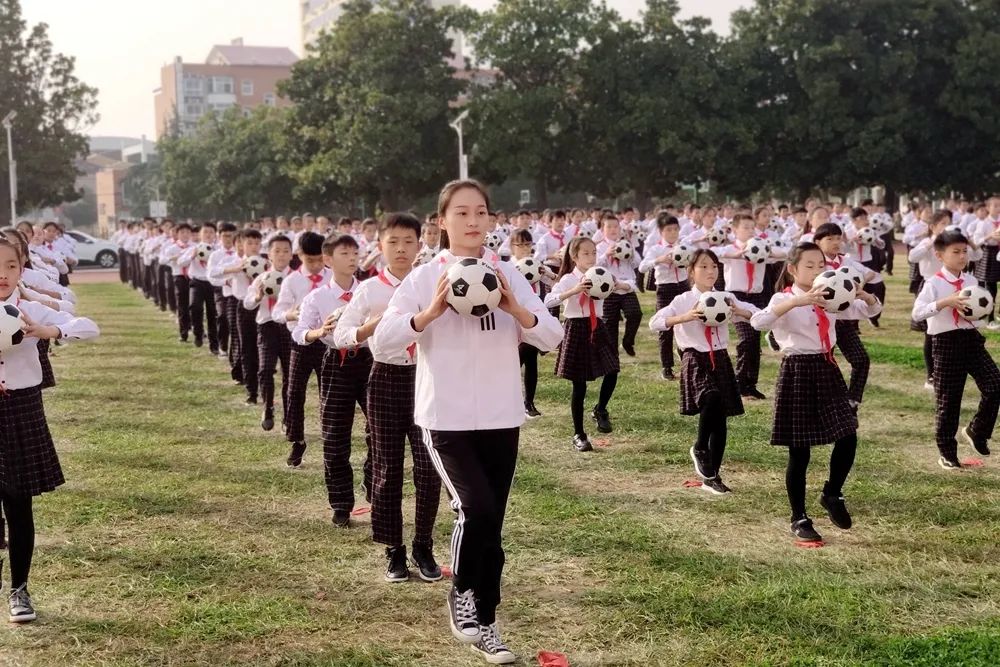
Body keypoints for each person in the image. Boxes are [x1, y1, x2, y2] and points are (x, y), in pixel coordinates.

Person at [373, 180, 562, 665]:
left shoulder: (508, 276)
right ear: (441, 221)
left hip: (501, 414)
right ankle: (461, 594)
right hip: (446, 416)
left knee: (492, 523)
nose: (473, 221)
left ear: (492, 220)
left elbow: (551, 336)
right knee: (474, 508)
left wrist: (515, 308)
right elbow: (384, 342)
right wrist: (430, 313)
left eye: (481, 212)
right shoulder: (422, 278)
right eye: (461, 213)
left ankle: (488, 620)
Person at [335, 213, 442, 581]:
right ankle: (393, 550)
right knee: (387, 468)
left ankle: (423, 545)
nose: (401, 249)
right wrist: (373, 326)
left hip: (425, 378)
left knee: (429, 467)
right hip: (384, 379)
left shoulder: (431, 283)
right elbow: (342, 335)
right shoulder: (369, 290)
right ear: (379, 246)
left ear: (420, 245)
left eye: (408, 241)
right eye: (393, 242)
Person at [750, 243, 881, 544]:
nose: (816, 270)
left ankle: (832, 493)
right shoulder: (783, 297)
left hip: (826, 367)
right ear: (793, 269)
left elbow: (873, 310)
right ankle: (799, 517)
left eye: (820, 264)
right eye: (809, 265)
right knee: (799, 451)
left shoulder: (833, 296)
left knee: (848, 433)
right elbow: (759, 322)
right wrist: (798, 301)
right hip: (796, 370)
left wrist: (863, 295)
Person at [0, 237, 99, 622]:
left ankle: (19, 590)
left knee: (18, 504)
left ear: (21, 269)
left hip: (21, 409)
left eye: (10, 266)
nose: (3, 274)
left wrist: (49, 331)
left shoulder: (31, 309)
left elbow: (88, 328)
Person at [649, 249, 757, 493]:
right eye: (704, 267)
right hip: (694, 355)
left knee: (720, 421)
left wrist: (739, 311)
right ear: (691, 272)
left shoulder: (726, 297)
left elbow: (759, 315)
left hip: (720, 357)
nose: (710, 272)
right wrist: (685, 317)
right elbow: (655, 322)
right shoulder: (683, 300)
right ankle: (699, 447)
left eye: (714, 267)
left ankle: (712, 477)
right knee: (711, 396)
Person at [294, 234, 373, 527]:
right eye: (344, 253)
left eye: (355, 252)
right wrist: (318, 332)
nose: (352, 257)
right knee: (335, 436)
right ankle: (341, 503)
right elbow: (300, 331)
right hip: (335, 363)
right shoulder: (317, 297)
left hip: (369, 361)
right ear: (328, 260)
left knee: (379, 428)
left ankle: (372, 478)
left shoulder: (369, 290)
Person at [912, 230, 1000, 470]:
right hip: (945, 344)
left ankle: (977, 430)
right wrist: (945, 303)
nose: (962, 256)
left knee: (995, 384)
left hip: (971, 341)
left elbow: (979, 316)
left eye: (964, 251)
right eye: (956, 252)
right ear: (940, 256)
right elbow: (917, 313)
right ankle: (947, 453)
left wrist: (978, 314)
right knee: (949, 402)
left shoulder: (971, 281)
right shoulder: (934, 283)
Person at [545, 237, 622, 451]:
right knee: (579, 384)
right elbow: (549, 300)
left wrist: (618, 284)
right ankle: (579, 434)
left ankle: (601, 409)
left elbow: (624, 287)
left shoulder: (601, 275)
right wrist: (574, 290)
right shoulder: (570, 278)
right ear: (574, 256)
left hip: (597, 326)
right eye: (586, 253)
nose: (591, 257)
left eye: (594, 253)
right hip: (577, 327)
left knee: (612, 369)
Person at [273, 231, 331, 468]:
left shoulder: (334, 278)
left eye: (320, 260)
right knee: (294, 391)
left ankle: (330, 441)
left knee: (327, 396)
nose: (316, 266)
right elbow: (278, 313)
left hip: (327, 344)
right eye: (310, 261)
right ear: (300, 256)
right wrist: (292, 314)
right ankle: (296, 439)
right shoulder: (292, 281)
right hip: (300, 343)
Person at [245, 234, 294, 431]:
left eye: (285, 251)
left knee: (289, 375)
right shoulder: (260, 278)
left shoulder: (296, 279)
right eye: (277, 251)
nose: (281, 255)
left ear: (291, 255)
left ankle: (289, 416)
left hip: (289, 328)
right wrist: (258, 296)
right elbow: (247, 303)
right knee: (265, 369)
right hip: (266, 326)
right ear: (269, 255)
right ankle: (268, 406)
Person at [639, 213, 689, 380]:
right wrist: (658, 260)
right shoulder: (656, 249)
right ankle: (667, 366)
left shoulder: (684, 246)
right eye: (669, 230)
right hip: (665, 289)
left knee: (686, 323)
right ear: (661, 231)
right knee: (665, 327)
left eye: (675, 229)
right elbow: (642, 267)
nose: (673, 233)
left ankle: (687, 358)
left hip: (683, 286)